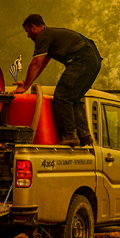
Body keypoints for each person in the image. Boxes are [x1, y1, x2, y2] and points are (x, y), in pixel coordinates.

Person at [14, 14, 102, 146]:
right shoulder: (51, 35)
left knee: (62, 96)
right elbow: (42, 64)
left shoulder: (43, 36)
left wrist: (25, 86)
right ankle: (84, 135)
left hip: (82, 60)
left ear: (33, 28)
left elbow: (36, 63)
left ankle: (70, 136)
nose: (28, 36)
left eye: (27, 32)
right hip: (93, 61)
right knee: (74, 98)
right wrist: (29, 82)